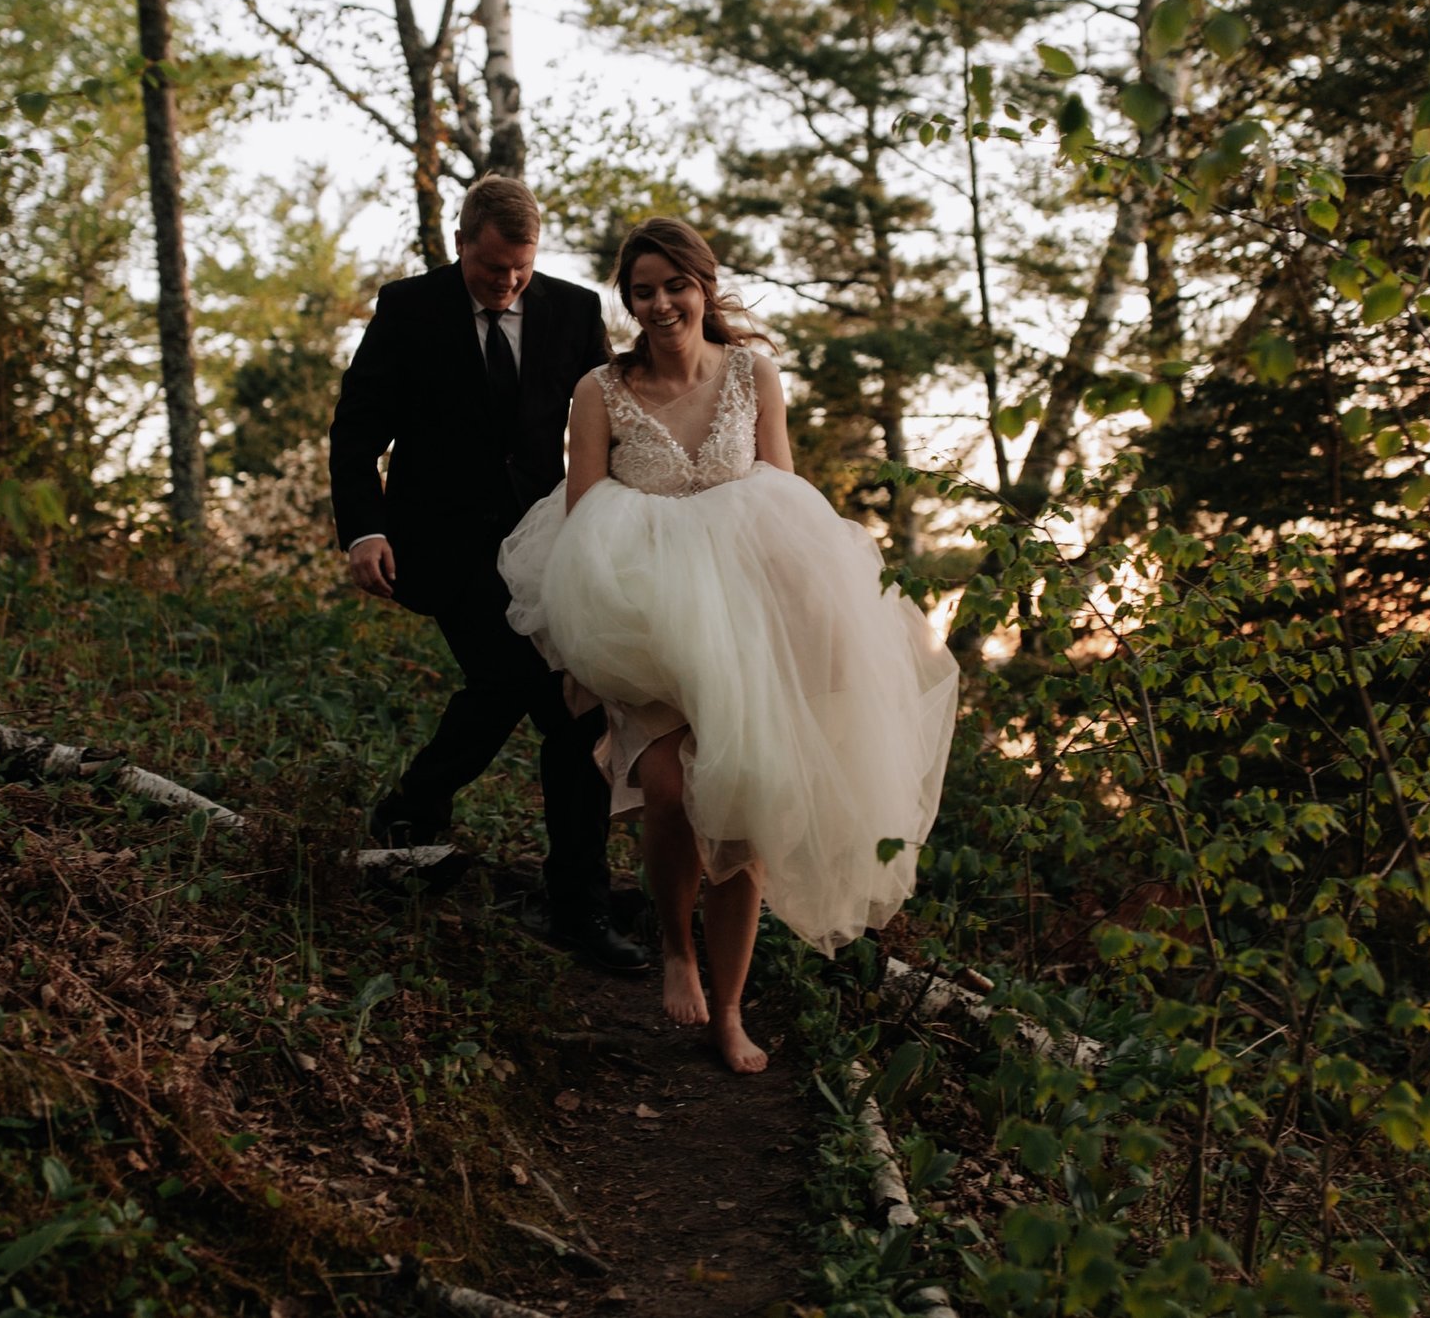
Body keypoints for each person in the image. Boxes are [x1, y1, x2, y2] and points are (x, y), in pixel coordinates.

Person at [499, 217, 958, 1071]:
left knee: (745, 801)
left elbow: (783, 497)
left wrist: (815, 624)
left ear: (704, 285)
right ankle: (676, 945)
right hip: (643, 618)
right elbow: (583, 513)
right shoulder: (601, 391)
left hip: (749, 613)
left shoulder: (754, 373)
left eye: (675, 284)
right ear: (627, 300)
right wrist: (589, 625)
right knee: (671, 788)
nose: (661, 303)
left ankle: (732, 1010)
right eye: (643, 290)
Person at [327, 178, 650, 973]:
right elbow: (356, 429)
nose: (509, 284)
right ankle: (414, 814)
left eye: (522, 268)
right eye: (494, 268)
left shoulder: (573, 312)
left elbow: (616, 420)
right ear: (462, 242)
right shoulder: (409, 308)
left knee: (576, 719)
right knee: (509, 681)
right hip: (443, 549)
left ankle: (574, 904)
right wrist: (365, 530)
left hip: (546, 550)